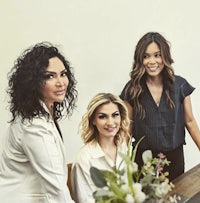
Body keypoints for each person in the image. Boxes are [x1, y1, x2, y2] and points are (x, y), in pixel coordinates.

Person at [0, 42, 77, 203]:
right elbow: (57, 188)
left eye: (63, 74)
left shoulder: (40, 112)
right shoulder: (33, 126)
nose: (61, 82)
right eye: (50, 76)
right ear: (32, 82)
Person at [120, 31, 200, 181]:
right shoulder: (132, 89)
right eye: (146, 56)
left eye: (157, 55)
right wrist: (118, 161)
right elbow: (126, 128)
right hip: (143, 161)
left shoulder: (180, 86)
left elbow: (190, 121)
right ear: (140, 59)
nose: (152, 61)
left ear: (165, 56)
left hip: (174, 159)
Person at [71, 93, 130, 203]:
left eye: (115, 115)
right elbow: (84, 200)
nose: (110, 122)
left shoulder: (123, 148)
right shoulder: (84, 159)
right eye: (102, 116)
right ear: (93, 120)